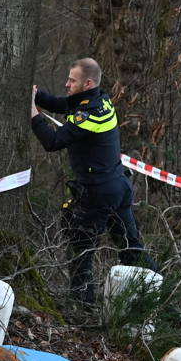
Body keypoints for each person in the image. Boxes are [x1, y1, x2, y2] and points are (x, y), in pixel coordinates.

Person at [30, 57, 151, 306]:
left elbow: (53, 141)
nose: (66, 84)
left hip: (98, 193)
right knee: (132, 250)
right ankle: (160, 296)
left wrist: (33, 114)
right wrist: (36, 95)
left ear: (87, 83)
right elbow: (64, 104)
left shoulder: (89, 115)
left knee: (81, 252)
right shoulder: (101, 99)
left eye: (72, 81)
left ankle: (82, 308)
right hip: (118, 186)